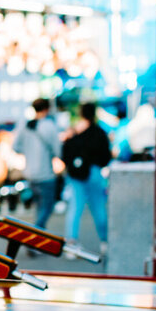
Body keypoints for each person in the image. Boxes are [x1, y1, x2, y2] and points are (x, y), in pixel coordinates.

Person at [61, 102, 112, 250]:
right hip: (95, 173)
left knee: (75, 208)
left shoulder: (74, 131)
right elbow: (106, 156)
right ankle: (105, 241)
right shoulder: (99, 132)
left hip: (76, 175)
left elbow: (65, 152)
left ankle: (71, 243)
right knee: (98, 208)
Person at [12, 97, 63, 229]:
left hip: (30, 173)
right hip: (45, 173)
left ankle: (37, 239)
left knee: (39, 207)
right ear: (47, 109)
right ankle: (36, 234)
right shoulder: (49, 126)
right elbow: (58, 151)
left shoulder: (24, 125)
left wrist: (29, 151)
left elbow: (16, 147)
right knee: (47, 206)